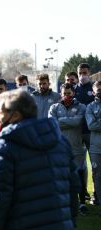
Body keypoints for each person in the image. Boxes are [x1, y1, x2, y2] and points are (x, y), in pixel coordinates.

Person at [0, 89, 80, 229]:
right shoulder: (62, 142)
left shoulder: (5, 146)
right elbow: (74, 189)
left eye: (0, 113)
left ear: (16, 115)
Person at [49, 83, 87, 214]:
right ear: (60, 94)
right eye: (64, 94)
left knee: (79, 176)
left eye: (69, 93)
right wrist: (69, 120)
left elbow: (78, 122)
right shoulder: (54, 107)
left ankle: (82, 203)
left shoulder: (82, 107)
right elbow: (52, 123)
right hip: (59, 148)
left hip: (77, 148)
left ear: (73, 93)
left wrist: (61, 121)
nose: (66, 96)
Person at [75, 63, 96, 204]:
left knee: (96, 165)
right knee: (80, 166)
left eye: (85, 72)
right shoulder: (73, 90)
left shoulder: (94, 88)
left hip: (92, 133)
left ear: (90, 73)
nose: (82, 75)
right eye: (80, 73)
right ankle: (83, 194)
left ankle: (97, 194)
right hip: (77, 133)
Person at [85, 80, 101, 209]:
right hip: (96, 148)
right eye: (98, 90)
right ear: (94, 91)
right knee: (97, 175)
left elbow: (96, 124)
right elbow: (91, 125)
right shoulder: (90, 107)